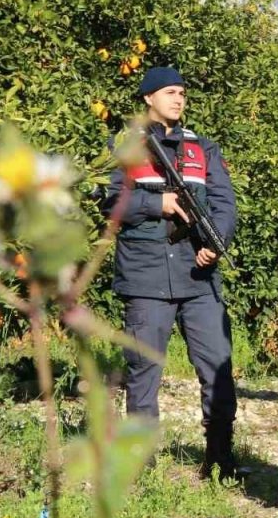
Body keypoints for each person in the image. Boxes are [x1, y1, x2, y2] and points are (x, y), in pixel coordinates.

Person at [101, 66, 241, 479]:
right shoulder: (123, 147)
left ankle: (220, 458)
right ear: (147, 98)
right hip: (145, 278)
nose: (178, 99)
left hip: (198, 280)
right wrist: (155, 205)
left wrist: (215, 246)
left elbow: (224, 205)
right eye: (168, 92)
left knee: (217, 363)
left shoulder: (203, 150)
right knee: (144, 371)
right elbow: (109, 202)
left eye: (182, 92)